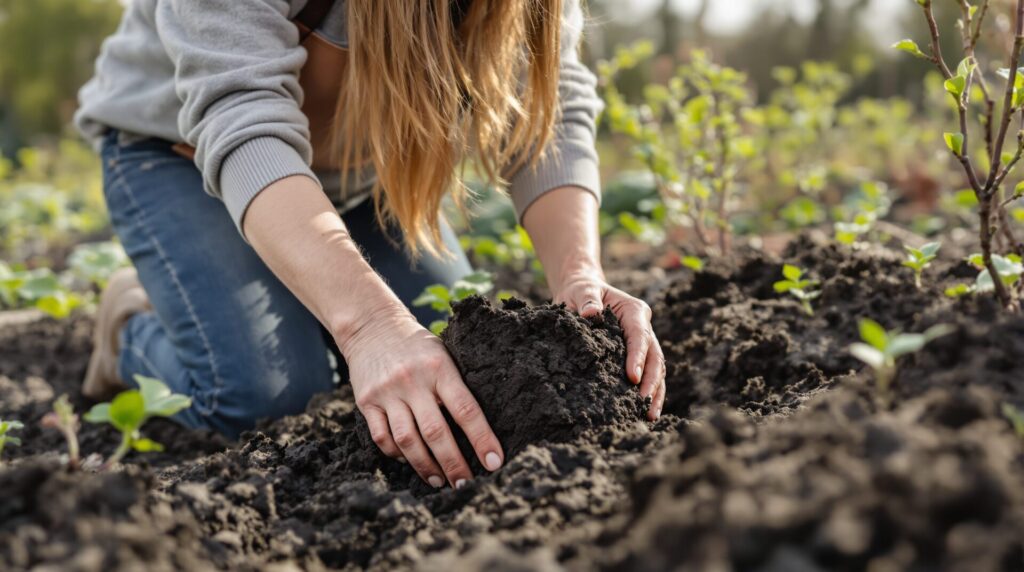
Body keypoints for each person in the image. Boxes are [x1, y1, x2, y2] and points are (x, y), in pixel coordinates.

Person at [74, 0, 666, 489]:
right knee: (265, 399)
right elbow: (242, 121)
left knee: (460, 354)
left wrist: (579, 274)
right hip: (177, 154)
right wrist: (369, 327)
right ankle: (128, 330)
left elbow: (548, 111)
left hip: (356, 178)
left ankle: (303, 291)